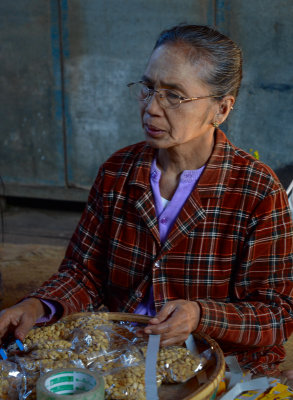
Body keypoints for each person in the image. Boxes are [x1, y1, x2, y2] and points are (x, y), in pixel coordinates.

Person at [0, 24, 293, 377]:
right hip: (121, 353)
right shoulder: (118, 172)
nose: (151, 107)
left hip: (214, 364)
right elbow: (84, 273)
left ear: (221, 109)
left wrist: (200, 315)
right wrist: (38, 305)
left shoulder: (256, 190)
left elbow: (277, 313)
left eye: (174, 95)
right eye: (148, 87)